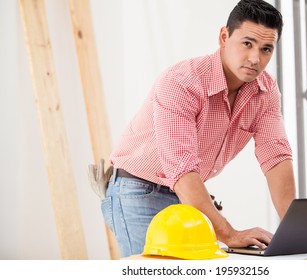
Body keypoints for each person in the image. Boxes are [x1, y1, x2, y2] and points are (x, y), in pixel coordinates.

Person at [102, 0, 296, 258]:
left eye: (266, 49)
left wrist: (297, 231)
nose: (255, 58)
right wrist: (229, 234)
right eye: (247, 44)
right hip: (140, 190)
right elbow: (181, 169)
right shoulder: (181, 83)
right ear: (224, 36)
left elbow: (276, 156)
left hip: (188, 193)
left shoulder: (265, 90)